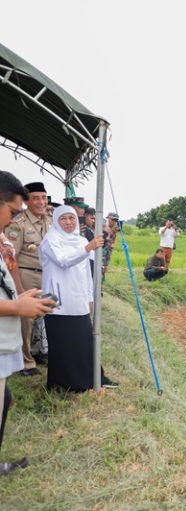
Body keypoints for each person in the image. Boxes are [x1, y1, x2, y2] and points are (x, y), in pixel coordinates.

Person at [0, 171, 56, 475]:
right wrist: (18, 300)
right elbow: (13, 264)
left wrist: (21, 297)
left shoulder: (46, 223)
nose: (11, 221)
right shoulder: (16, 230)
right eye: (11, 211)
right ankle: (26, 359)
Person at [39, 206, 118, 392]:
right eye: (64, 219)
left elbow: (86, 273)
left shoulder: (80, 240)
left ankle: (89, 379)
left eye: (72, 218)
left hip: (78, 299)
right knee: (62, 344)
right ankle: (64, 384)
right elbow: (63, 261)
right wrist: (88, 247)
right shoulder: (51, 240)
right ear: (57, 221)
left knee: (83, 342)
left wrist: (90, 297)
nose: (68, 222)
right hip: (57, 300)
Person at [3, 181, 53, 376]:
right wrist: (19, 289)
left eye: (44, 197)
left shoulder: (50, 221)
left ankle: (41, 351)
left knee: (46, 315)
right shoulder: (18, 224)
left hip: (48, 275)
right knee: (26, 321)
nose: (41, 202)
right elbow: (11, 258)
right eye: (36, 198)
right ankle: (27, 362)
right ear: (27, 201)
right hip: (26, 274)